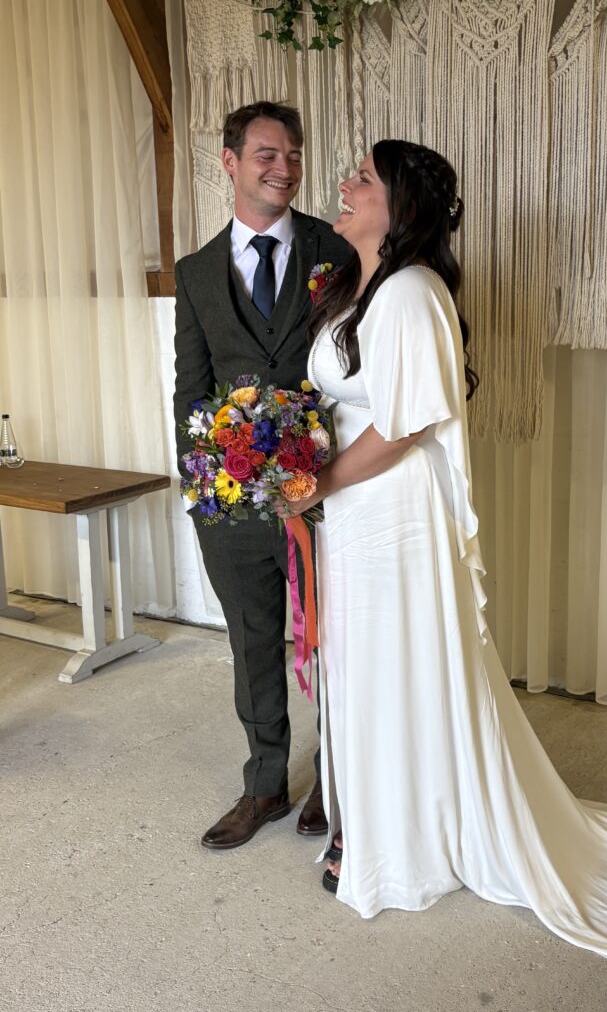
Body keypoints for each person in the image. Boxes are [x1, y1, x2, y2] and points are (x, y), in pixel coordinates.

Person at [281, 139, 607, 978]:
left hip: (393, 517)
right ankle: (370, 821)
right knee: (360, 669)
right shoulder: (351, 288)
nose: (344, 184)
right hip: (352, 515)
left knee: (397, 667)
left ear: (403, 206)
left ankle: (406, 837)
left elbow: (404, 427)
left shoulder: (412, 291)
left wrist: (315, 481)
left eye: (363, 177)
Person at [173, 101, 350, 850]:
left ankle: (338, 785)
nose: (284, 168)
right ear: (230, 161)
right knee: (253, 643)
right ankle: (266, 785)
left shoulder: (336, 250)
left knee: (335, 643)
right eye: (267, 155)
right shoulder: (194, 272)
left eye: (294, 155)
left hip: (325, 495)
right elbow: (192, 387)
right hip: (233, 503)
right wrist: (201, 488)